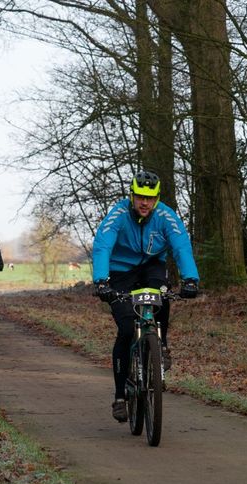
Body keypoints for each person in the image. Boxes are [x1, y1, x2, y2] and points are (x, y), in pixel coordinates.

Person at [92, 170, 200, 423]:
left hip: (151, 266)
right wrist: (101, 281)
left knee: (161, 294)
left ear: (157, 198)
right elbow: (103, 245)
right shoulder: (118, 214)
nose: (144, 203)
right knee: (127, 329)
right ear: (132, 195)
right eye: (140, 197)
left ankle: (160, 346)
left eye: (150, 199)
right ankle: (120, 397)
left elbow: (181, 245)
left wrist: (191, 279)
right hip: (120, 271)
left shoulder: (166, 215)